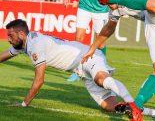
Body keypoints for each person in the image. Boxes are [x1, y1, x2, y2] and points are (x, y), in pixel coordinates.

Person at [0, 19, 141, 113]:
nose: (8, 39)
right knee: (108, 105)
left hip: (88, 57)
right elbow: (5, 55)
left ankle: (131, 100)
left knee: (100, 80)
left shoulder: (35, 45)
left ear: (22, 34)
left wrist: (24, 103)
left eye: (11, 36)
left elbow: (39, 80)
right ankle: (137, 109)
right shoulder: (25, 43)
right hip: (80, 69)